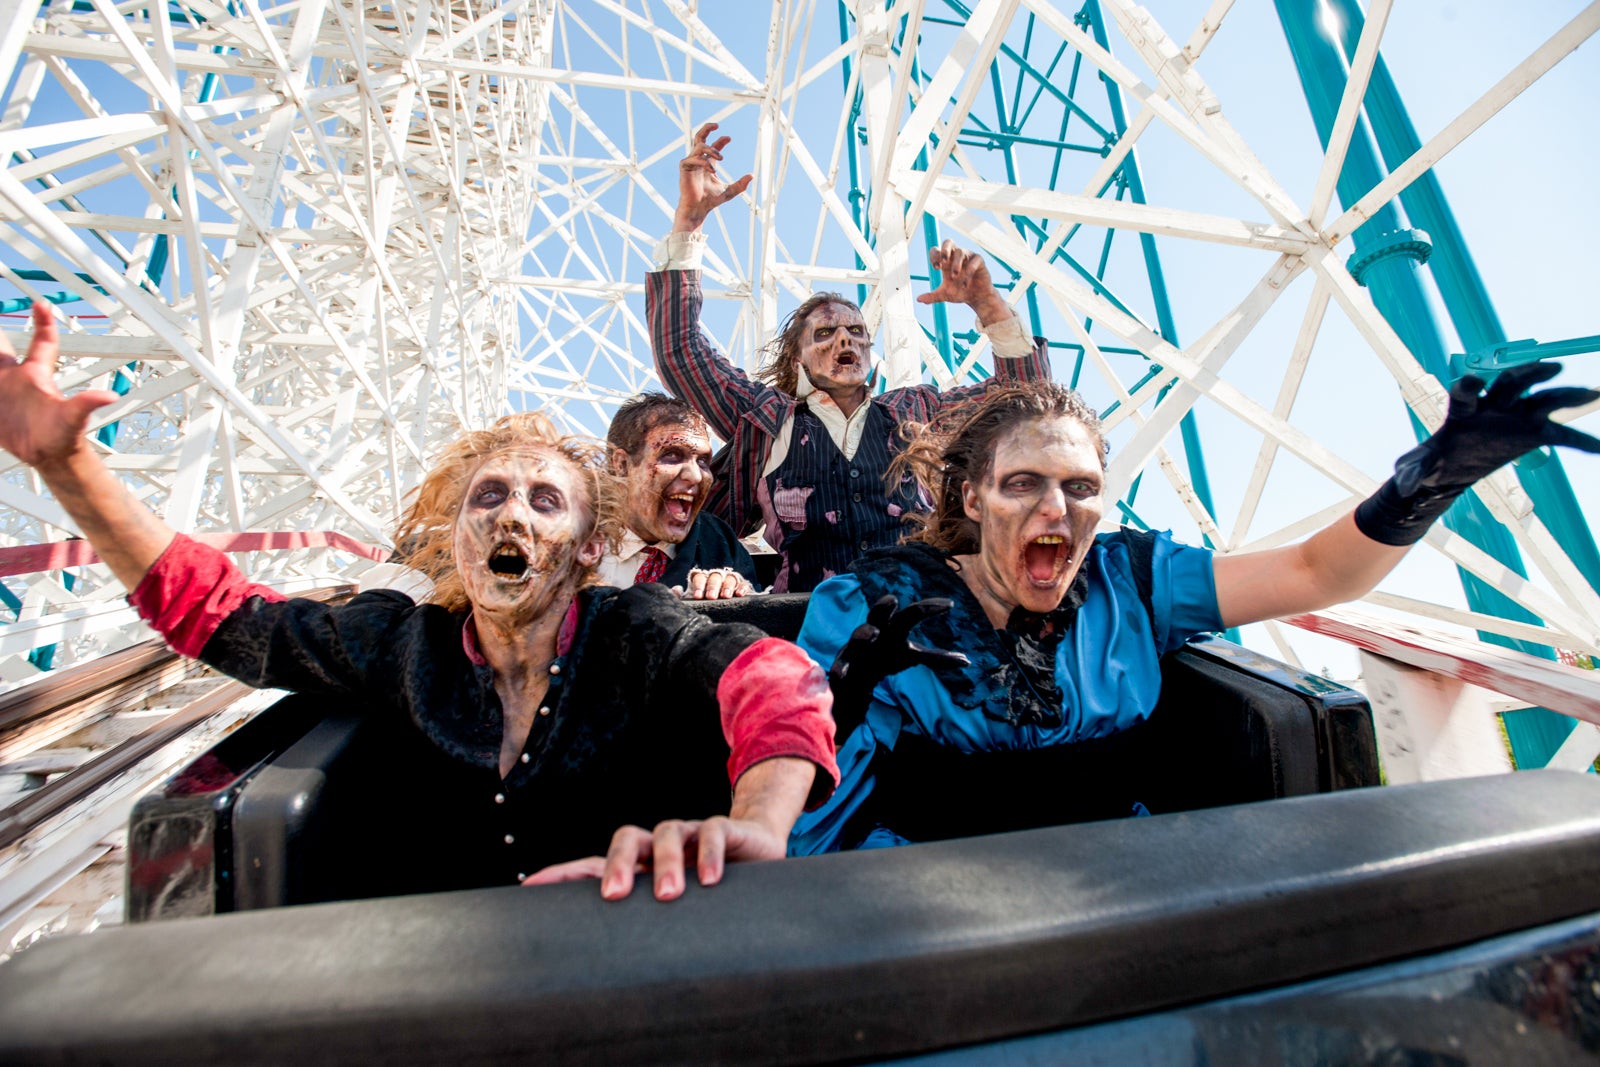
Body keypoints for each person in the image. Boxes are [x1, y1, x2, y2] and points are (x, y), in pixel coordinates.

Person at [0, 302, 838, 901]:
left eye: (546, 501)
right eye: (489, 497)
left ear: (591, 548)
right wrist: (71, 469)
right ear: (458, 538)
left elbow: (773, 677)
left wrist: (758, 825)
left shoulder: (632, 625)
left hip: (623, 949)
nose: (511, 511)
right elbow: (224, 615)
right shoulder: (404, 643)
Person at [790, 372, 1600, 854]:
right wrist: (845, 705)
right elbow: (803, 805)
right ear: (972, 496)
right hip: (926, 895)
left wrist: (1426, 487)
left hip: (1132, 879)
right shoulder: (873, 605)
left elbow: (1314, 572)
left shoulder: (1133, 581)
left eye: (1080, 487)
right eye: (1024, 483)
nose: (1057, 509)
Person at [647, 122, 1052, 593]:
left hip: (924, 614)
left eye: (857, 332)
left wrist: (988, 305)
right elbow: (681, 351)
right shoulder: (766, 417)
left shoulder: (914, 410)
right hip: (805, 621)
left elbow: (1026, 402)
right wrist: (689, 225)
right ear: (797, 358)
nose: (846, 340)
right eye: (826, 332)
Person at [598, 392, 760, 599]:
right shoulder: (573, 542)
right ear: (622, 464)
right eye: (672, 455)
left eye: (702, 461)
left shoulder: (721, 545)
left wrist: (734, 593)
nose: (696, 476)